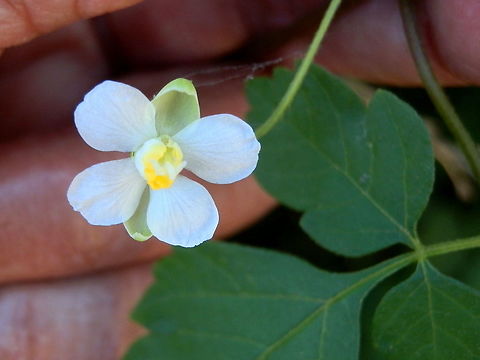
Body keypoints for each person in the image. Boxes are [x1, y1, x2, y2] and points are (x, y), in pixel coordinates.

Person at [0, 0, 477, 358]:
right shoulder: (123, 141)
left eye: (164, 160)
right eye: (160, 161)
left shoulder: (201, 148)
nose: (161, 165)